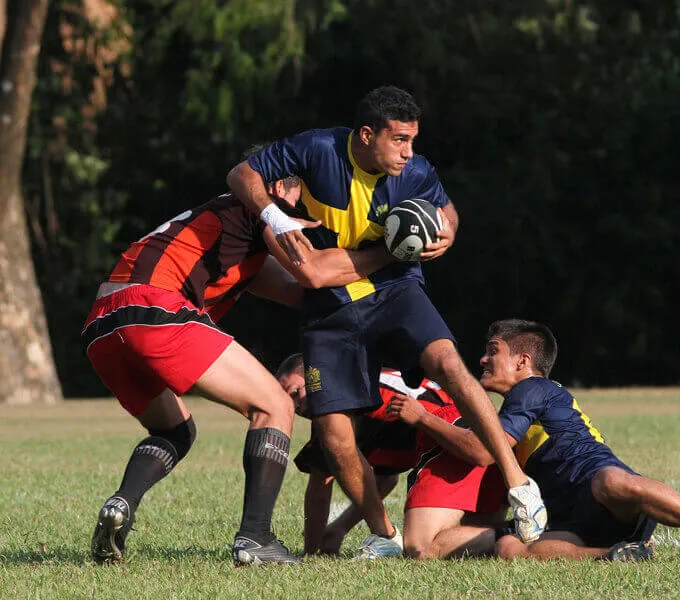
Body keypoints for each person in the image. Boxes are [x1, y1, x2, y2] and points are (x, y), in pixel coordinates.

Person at [226, 86, 546, 558]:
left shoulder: (415, 171)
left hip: (396, 291)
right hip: (330, 311)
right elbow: (242, 174)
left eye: (412, 140)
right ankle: (386, 535)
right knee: (334, 438)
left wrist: (450, 230)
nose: (408, 152)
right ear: (365, 134)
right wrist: (273, 215)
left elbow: (446, 207)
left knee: (448, 361)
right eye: (398, 140)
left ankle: (520, 485)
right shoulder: (317, 149)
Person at [83, 176, 392, 566]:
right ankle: (256, 537)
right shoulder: (261, 208)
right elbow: (313, 271)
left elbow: (303, 292)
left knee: (174, 430)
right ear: (279, 185)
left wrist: (370, 299)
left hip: (102, 324)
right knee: (276, 406)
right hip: (156, 309)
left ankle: (120, 505)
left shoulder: (228, 232)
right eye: (307, 190)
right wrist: (389, 253)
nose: (313, 207)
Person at [388, 319, 680, 561]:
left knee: (613, 480)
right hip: (571, 516)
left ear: (522, 361)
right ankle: (613, 555)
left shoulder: (531, 388)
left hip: (599, 492)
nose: (483, 360)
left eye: (493, 352)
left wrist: (423, 418)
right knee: (508, 548)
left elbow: (485, 453)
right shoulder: (512, 404)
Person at [276, 353, 455, 555]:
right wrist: (340, 527)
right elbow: (386, 479)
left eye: (295, 393)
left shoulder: (334, 400)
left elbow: (320, 487)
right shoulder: (359, 379)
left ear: (316, 377)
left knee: (420, 545)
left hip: (452, 442)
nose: (293, 406)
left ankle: (387, 536)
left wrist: (309, 553)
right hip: (455, 434)